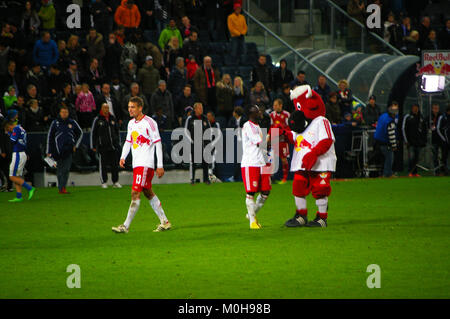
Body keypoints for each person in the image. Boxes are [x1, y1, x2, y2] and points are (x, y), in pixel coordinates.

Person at [112, 96, 171, 233]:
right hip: (137, 164)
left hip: (146, 164)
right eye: (128, 107)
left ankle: (125, 226)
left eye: (133, 107)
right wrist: (123, 156)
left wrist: (160, 165)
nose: (130, 109)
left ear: (140, 108)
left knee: (135, 193)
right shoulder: (131, 123)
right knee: (148, 192)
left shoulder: (150, 122)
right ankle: (165, 221)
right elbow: (129, 141)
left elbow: (157, 143)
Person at [283, 84, 336, 228]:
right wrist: (281, 134)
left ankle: (322, 218)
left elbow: (327, 140)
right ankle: (301, 215)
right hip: (302, 163)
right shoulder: (301, 124)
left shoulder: (321, 121)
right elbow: (292, 137)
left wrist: (314, 153)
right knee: (298, 186)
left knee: (320, 189)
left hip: (320, 163)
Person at [241, 105, 271, 229]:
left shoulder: (258, 126)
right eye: (257, 112)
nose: (260, 113)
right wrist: (273, 133)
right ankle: (252, 222)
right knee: (251, 193)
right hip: (251, 163)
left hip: (261, 162)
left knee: (266, 191)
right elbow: (260, 142)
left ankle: (251, 213)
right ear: (251, 114)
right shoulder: (248, 126)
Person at [47, 106, 83, 194]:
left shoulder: (72, 122)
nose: (64, 114)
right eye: (63, 112)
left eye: (66, 112)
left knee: (66, 169)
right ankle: (61, 188)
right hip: (57, 150)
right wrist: (48, 151)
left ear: (68, 113)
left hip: (69, 149)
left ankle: (63, 187)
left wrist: (76, 145)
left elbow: (80, 133)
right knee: (59, 170)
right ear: (60, 113)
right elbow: (50, 137)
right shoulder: (55, 123)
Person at [91, 103, 122, 188]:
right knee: (103, 165)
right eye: (104, 108)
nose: (106, 109)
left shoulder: (112, 118)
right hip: (102, 146)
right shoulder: (97, 119)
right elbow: (93, 133)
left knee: (115, 165)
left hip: (113, 145)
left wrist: (118, 143)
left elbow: (117, 131)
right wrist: (93, 146)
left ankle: (115, 181)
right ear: (101, 109)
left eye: (107, 108)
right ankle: (104, 182)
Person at [3, 120, 36, 202]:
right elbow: (24, 142)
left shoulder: (16, 129)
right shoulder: (22, 128)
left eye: (8, 128)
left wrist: (9, 134)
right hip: (22, 153)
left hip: (18, 154)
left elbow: (13, 141)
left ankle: (30, 188)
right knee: (17, 176)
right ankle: (19, 196)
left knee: (12, 176)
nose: (8, 130)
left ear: (10, 126)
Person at [184, 102, 212, 185]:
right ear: (195, 109)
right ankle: (192, 179)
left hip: (204, 144)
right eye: (199, 108)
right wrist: (191, 141)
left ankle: (206, 179)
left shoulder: (205, 118)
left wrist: (207, 141)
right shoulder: (190, 119)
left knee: (205, 162)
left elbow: (209, 130)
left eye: (202, 108)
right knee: (193, 162)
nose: (201, 110)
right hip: (194, 144)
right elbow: (186, 131)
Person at [374, 101, 399, 178]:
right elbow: (391, 135)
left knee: (383, 159)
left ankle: (384, 173)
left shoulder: (383, 116)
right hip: (384, 142)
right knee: (389, 158)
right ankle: (387, 173)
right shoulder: (390, 121)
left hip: (377, 141)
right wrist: (394, 145)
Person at [402, 104, 427, 177]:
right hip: (410, 142)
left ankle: (415, 172)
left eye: (416, 108)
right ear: (412, 109)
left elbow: (424, 129)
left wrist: (423, 140)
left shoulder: (421, 117)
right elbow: (403, 129)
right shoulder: (408, 117)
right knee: (411, 157)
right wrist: (406, 140)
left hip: (418, 142)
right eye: (414, 108)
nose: (415, 110)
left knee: (417, 158)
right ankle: (410, 171)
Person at [269, 98, 290, 184]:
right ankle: (271, 177)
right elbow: (271, 127)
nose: (274, 107)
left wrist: (282, 131)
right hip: (274, 140)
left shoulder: (286, 115)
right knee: (272, 159)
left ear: (280, 105)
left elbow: (289, 127)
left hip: (282, 140)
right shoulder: (272, 115)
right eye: (273, 105)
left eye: (276, 105)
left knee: (283, 159)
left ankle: (285, 178)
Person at [426, 103, 445, 176]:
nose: (436, 110)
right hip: (433, 139)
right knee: (435, 156)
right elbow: (427, 125)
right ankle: (437, 171)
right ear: (432, 109)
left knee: (443, 156)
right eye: (434, 108)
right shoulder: (429, 117)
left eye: (437, 108)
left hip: (441, 139)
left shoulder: (442, 116)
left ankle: (444, 170)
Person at [436, 106, 450, 175]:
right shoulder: (442, 117)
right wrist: (444, 139)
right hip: (444, 141)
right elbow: (438, 129)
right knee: (444, 156)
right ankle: (444, 171)